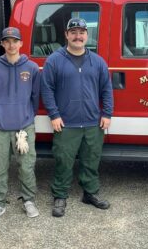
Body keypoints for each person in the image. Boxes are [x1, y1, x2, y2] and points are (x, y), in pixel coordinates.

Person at [41, 18, 114, 217]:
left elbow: (107, 89)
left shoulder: (97, 61)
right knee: (63, 162)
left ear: (87, 36)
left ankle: (90, 193)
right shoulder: (54, 60)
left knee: (91, 161)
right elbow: (46, 89)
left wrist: (107, 113)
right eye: (73, 32)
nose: (78, 36)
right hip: (66, 124)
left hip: (93, 123)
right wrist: (54, 115)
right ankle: (60, 196)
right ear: (66, 35)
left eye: (82, 32)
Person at [0, 27, 40, 222]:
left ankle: (29, 201)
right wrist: (1, 113)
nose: (11, 45)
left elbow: (35, 98)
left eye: (14, 41)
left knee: (26, 167)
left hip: (23, 128)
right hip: (0, 128)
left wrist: (25, 118)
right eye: (7, 41)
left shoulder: (32, 68)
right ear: (2, 44)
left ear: (21, 43)